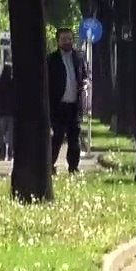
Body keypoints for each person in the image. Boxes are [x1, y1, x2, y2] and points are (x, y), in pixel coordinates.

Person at [47, 28, 89, 174]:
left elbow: (84, 75)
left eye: (70, 39)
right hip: (58, 106)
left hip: (74, 105)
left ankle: (73, 167)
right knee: (57, 137)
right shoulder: (51, 60)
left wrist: (84, 83)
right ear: (58, 41)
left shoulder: (78, 58)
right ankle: (49, 165)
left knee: (74, 139)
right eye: (64, 39)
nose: (67, 42)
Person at [0, 65, 15, 162]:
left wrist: (0, 76)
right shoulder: (13, 82)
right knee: (11, 135)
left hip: (0, 112)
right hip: (11, 112)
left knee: (1, 134)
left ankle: (2, 154)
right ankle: (10, 154)